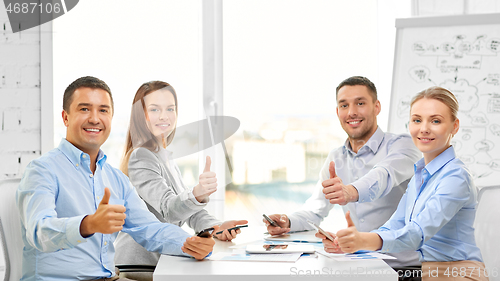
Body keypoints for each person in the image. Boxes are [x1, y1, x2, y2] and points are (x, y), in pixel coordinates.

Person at [16, 76, 216, 281]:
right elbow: (39, 231)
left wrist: (190, 243)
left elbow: (150, 229)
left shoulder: (116, 179)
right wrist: (88, 224)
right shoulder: (42, 170)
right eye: (84, 109)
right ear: (65, 117)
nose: (95, 118)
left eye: (103, 110)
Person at [321, 86, 488, 281]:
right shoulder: (420, 175)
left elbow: (416, 233)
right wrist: (352, 243)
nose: (424, 128)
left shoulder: (456, 176)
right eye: (417, 120)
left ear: (455, 126)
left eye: (435, 121)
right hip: (423, 271)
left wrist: (363, 240)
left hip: (458, 274)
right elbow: (394, 225)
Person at [264, 76, 422, 269]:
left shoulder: (403, 145)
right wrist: (287, 220)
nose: (352, 112)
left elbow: (383, 175)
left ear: (377, 106)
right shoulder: (335, 158)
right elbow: (315, 209)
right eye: (344, 105)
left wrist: (351, 191)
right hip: (360, 264)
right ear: (338, 111)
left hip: (404, 268)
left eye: (360, 103)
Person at [114, 81, 247, 274]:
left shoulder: (165, 156)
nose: (164, 116)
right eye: (154, 109)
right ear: (140, 115)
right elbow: (170, 209)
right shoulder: (141, 156)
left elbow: (188, 212)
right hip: (140, 265)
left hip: (160, 262)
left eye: (170, 108)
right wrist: (197, 193)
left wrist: (215, 227)